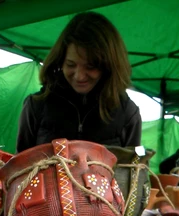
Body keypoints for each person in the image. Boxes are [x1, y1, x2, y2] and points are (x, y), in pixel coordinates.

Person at [16, 12, 141, 152]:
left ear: (108, 66)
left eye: (90, 67)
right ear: (60, 60)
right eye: (70, 64)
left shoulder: (128, 113)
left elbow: (135, 171)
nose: (79, 76)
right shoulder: (35, 106)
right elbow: (19, 169)